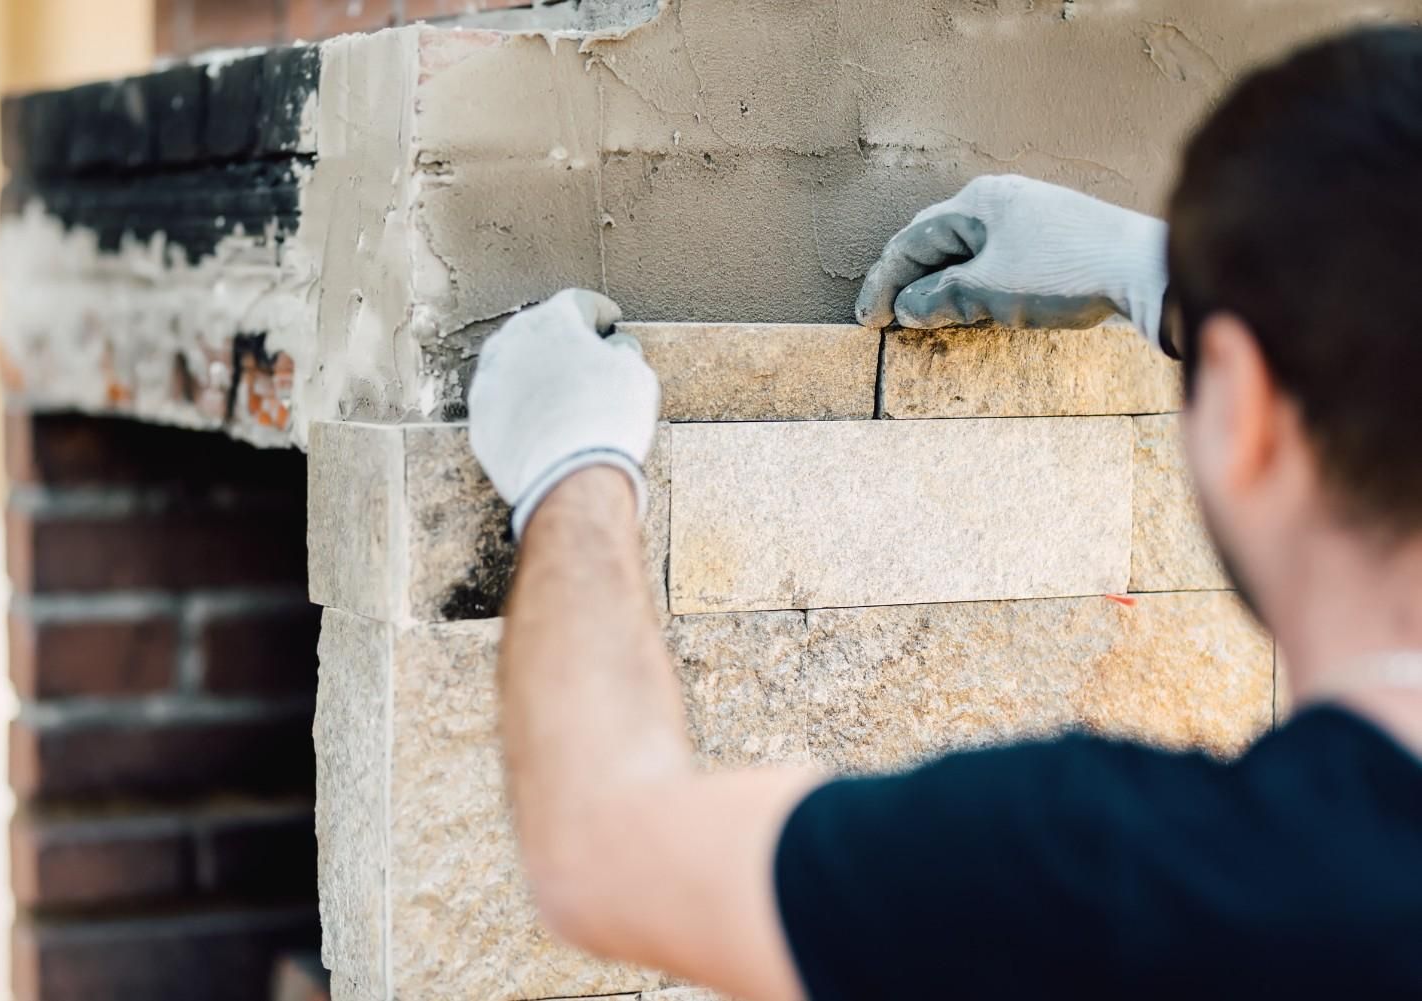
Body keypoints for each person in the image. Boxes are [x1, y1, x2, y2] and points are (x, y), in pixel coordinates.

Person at [463, 27, 1422, 999]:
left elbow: (606, 850)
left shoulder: (1139, 878)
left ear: (1248, 413)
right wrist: (1173, 281)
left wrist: (573, 468)